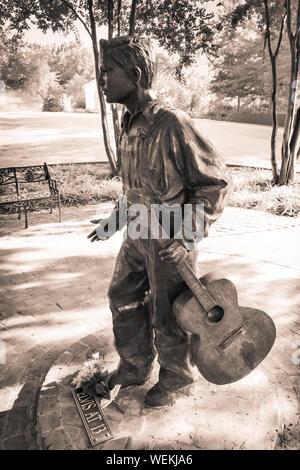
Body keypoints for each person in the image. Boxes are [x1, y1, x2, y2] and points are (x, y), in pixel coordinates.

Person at [88, 36, 231, 407]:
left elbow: (215, 184)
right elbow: (136, 188)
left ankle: (177, 378)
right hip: (138, 232)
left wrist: (184, 239)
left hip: (170, 241)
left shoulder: (172, 124)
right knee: (121, 296)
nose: (101, 79)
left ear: (134, 75)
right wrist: (113, 221)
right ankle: (134, 367)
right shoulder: (128, 123)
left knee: (168, 314)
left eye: (107, 72)